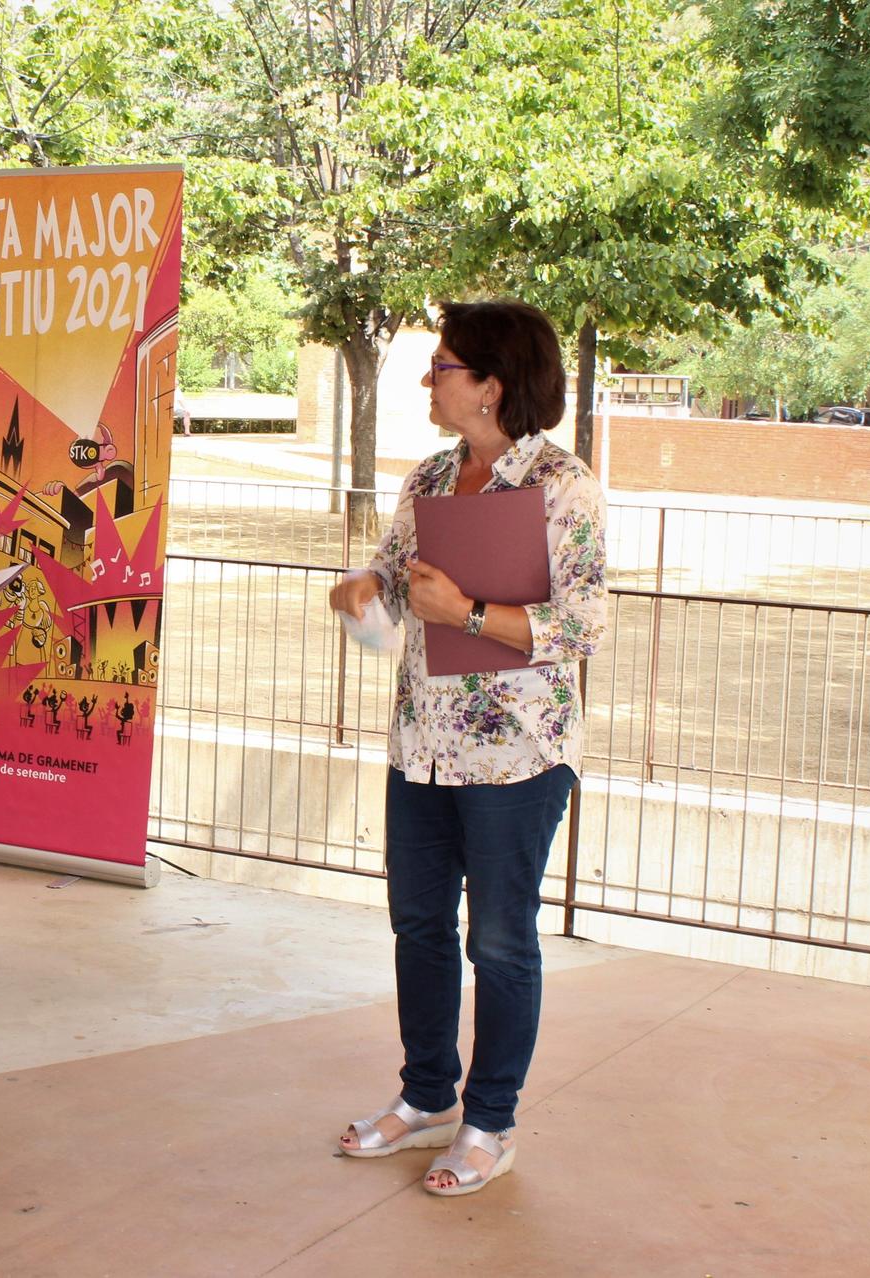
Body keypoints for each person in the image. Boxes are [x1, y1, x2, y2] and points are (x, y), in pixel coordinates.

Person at [328, 299, 607, 1195]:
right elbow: (398, 581)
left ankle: (490, 1122)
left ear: (491, 384)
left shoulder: (563, 484)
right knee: (417, 925)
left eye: (443, 365)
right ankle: (426, 1099)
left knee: (499, 941)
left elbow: (585, 621)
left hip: (517, 757)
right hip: (423, 746)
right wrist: (367, 590)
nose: (427, 379)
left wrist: (474, 616)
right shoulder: (431, 477)